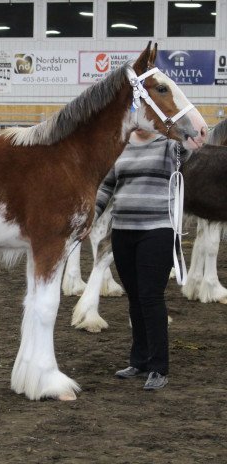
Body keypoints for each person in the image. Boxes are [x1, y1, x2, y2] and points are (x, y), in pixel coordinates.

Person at [95, 128, 190, 391]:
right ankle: (139, 361)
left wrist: (189, 134)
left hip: (158, 230)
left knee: (150, 296)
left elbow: (191, 148)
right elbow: (107, 186)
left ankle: (159, 367)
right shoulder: (121, 145)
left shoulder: (170, 146)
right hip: (123, 231)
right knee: (135, 296)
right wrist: (91, 216)